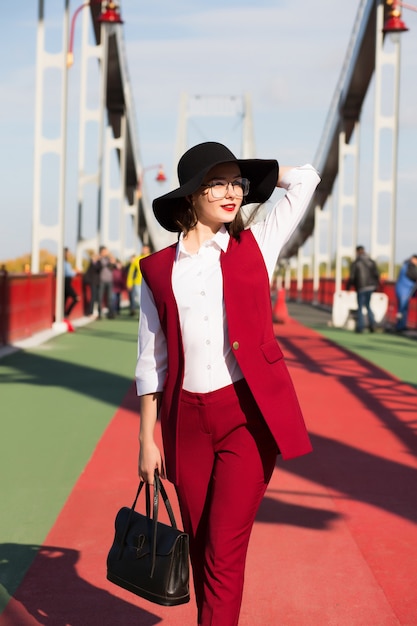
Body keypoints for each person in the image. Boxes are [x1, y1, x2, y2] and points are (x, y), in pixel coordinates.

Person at [135, 141, 320, 626]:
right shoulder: (156, 271)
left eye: (236, 183)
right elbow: (151, 359)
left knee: (224, 550)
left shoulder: (257, 243)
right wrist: (146, 439)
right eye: (215, 183)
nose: (231, 192)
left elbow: (307, 179)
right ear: (189, 196)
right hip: (185, 424)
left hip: (247, 418)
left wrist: (258, 173)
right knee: (199, 549)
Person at [346, 245, 380, 333]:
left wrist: (348, 287)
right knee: (368, 305)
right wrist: (376, 286)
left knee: (360, 307)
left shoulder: (356, 263)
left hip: (361, 286)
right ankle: (372, 325)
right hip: (371, 287)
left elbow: (352, 276)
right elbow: (376, 274)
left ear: (357, 252)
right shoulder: (371, 261)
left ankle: (360, 327)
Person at [126, 245, 151, 316]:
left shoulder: (152, 258)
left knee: (148, 300)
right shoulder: (137, 259)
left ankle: (147, 315)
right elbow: (131, 272)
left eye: (145, 249)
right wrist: (129, 283)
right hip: (138, 283)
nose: (144, 250)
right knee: (140, 300)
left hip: (148, 283)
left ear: (148, 250)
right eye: (143, 249)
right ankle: (142, 315)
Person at [395, 254, 417, 331]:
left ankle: (400, 325)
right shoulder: (410, 266)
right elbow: (414, 276)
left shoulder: (405, 265)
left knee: (401, 309)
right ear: (414, 259)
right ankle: (400, 326)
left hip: (401, 289)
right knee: (402, 308)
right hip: (404, 290)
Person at [95, 245, 115, 319]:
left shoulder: (109, 259)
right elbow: (96, 267)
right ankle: (99, 314)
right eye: (104, 251)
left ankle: (110, 314)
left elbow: (113, 267)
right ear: (101, 252)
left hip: (110, 281)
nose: (106, 252)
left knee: (110, 298)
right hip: (101, 281)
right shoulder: (99, 260)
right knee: (100, 297)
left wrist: (112, 261)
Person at [82, 250, 100, 316]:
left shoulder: (99, 263)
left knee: (97, 297)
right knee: (93, 296)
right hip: (93, 282)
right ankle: (90, 311)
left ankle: (97, 311)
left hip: (98, 282)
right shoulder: (91, 263)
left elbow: (98, 268)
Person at [63, 248, 79, 318]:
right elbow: (69, 273)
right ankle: (66, 314)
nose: (69, 254)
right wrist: (75, 272)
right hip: (65, 282)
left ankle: (64, 314)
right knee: (76, 298)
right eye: (68, 253)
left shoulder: (66, 263)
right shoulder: (63, 263)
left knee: (64, 300)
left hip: (67, 282)